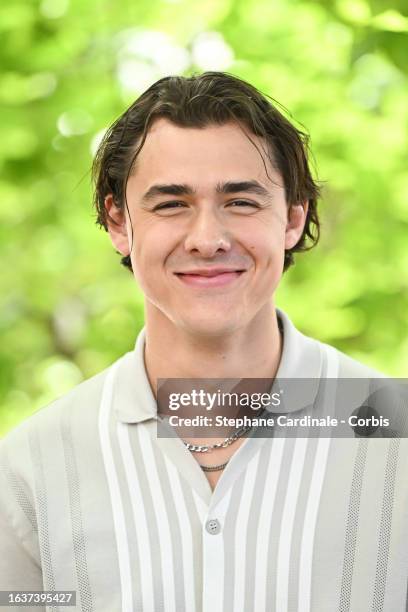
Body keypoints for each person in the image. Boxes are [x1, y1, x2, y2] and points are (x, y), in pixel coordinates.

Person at [1, 72, 407, 612]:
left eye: (240, 201)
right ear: (119, 222)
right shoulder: (28, 471)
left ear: (292, 218)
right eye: (171, 204)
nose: (208, 239)